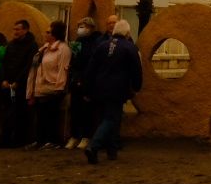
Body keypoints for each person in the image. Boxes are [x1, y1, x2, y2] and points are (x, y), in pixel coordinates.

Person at [84, 18, 142, 165]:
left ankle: (112, 151)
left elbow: (91, 68)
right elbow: (136, 69)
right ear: (127, 33)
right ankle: (94, 146)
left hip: (99, 88)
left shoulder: (102, 45)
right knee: (111, 119)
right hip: (117, 89)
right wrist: (136, 86)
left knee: (108, 118)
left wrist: (87, 88)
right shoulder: (129, 47)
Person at [26, 20, 71, 150]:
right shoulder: (44, 49)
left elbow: (63, 69)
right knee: (40, 116)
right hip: (40, 88)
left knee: (51, 116)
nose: (46, 34)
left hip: (53, 89)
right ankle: (40, 139)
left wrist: (59, 88)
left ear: (55, 34)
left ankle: (53, 140)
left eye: (48, 32)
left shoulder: (63, 49)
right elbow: (35, 69)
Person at [0, 18, 38, 148]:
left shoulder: (32, 45)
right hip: (7, 85)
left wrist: (18, 82)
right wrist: (3, 79)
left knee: (20, 113)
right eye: (14, 29)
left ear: (25, 30)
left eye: (18, 29)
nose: (15, 31)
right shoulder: (11, 44)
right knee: (6, 112)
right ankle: (5, 139)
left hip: (21, 86)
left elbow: (28, 66)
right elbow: (4, 63)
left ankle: (19, 140)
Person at [66, 17, 98, 150]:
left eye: (83, 26)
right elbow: (73, 60)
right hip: (76, 80)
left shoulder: (95, 42)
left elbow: (93, 63)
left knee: (87, 111)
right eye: (79, 26)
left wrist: (84, 80)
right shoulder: (77, 42)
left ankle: (86, 136)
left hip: (88, 82)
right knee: (75, 110)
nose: (80, 29)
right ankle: (74, 135)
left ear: (90, 28)